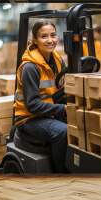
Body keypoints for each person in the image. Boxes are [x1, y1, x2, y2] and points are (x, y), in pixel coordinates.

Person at [13, 20, 67, 173]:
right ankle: (61, 174)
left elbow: (60, 88)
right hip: (29, 118)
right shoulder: (30, 67)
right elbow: (32, 105)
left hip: (48, 112)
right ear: (35, 40)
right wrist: (62, 109)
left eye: (53, 35)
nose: (50, 40)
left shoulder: (57, 59)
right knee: (62, 131)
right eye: (44, 36)